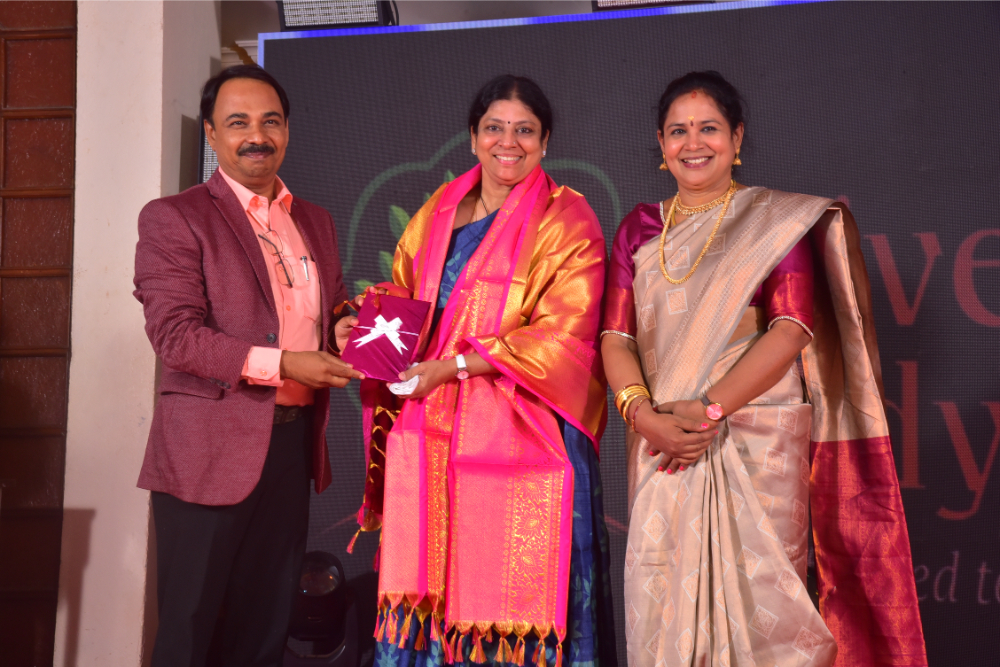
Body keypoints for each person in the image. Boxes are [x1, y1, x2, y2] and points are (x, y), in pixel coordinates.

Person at [602, 71, 927, 667]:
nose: (693, 143)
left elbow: (792, 327)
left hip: (752, 436)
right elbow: (615, 337)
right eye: (678, 131)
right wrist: (641, 415)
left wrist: (709, 409)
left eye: (708, 128)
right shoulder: (639, 228)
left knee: (765, 614)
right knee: (665, 602)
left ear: (736, 138)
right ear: (661, 143)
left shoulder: (775, 222)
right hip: (661, 440)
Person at [350, 75, 616, 666]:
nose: (508, 142)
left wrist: (456, 366)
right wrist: (361, 326)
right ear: (473, 137)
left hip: (528, 427)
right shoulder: (439, 210)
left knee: (519, 589)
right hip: (432, 427)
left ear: (545, 141)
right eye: (494, 128)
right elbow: (403, 291)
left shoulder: (568, 218)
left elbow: (564, 335)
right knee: (430, 575)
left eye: (525, 130)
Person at [133, 64, 363, 667]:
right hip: (207, 450)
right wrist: (287, 363)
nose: (256, 136)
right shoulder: (174, 216)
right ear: (211, 133)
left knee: (265, 629)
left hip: (290, 448)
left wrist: (342, 328)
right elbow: (176, 337)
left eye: (270, 121)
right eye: (238, 123)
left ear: (287, 130)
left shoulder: (313, 219)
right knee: (189, 632)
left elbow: (332, 307)